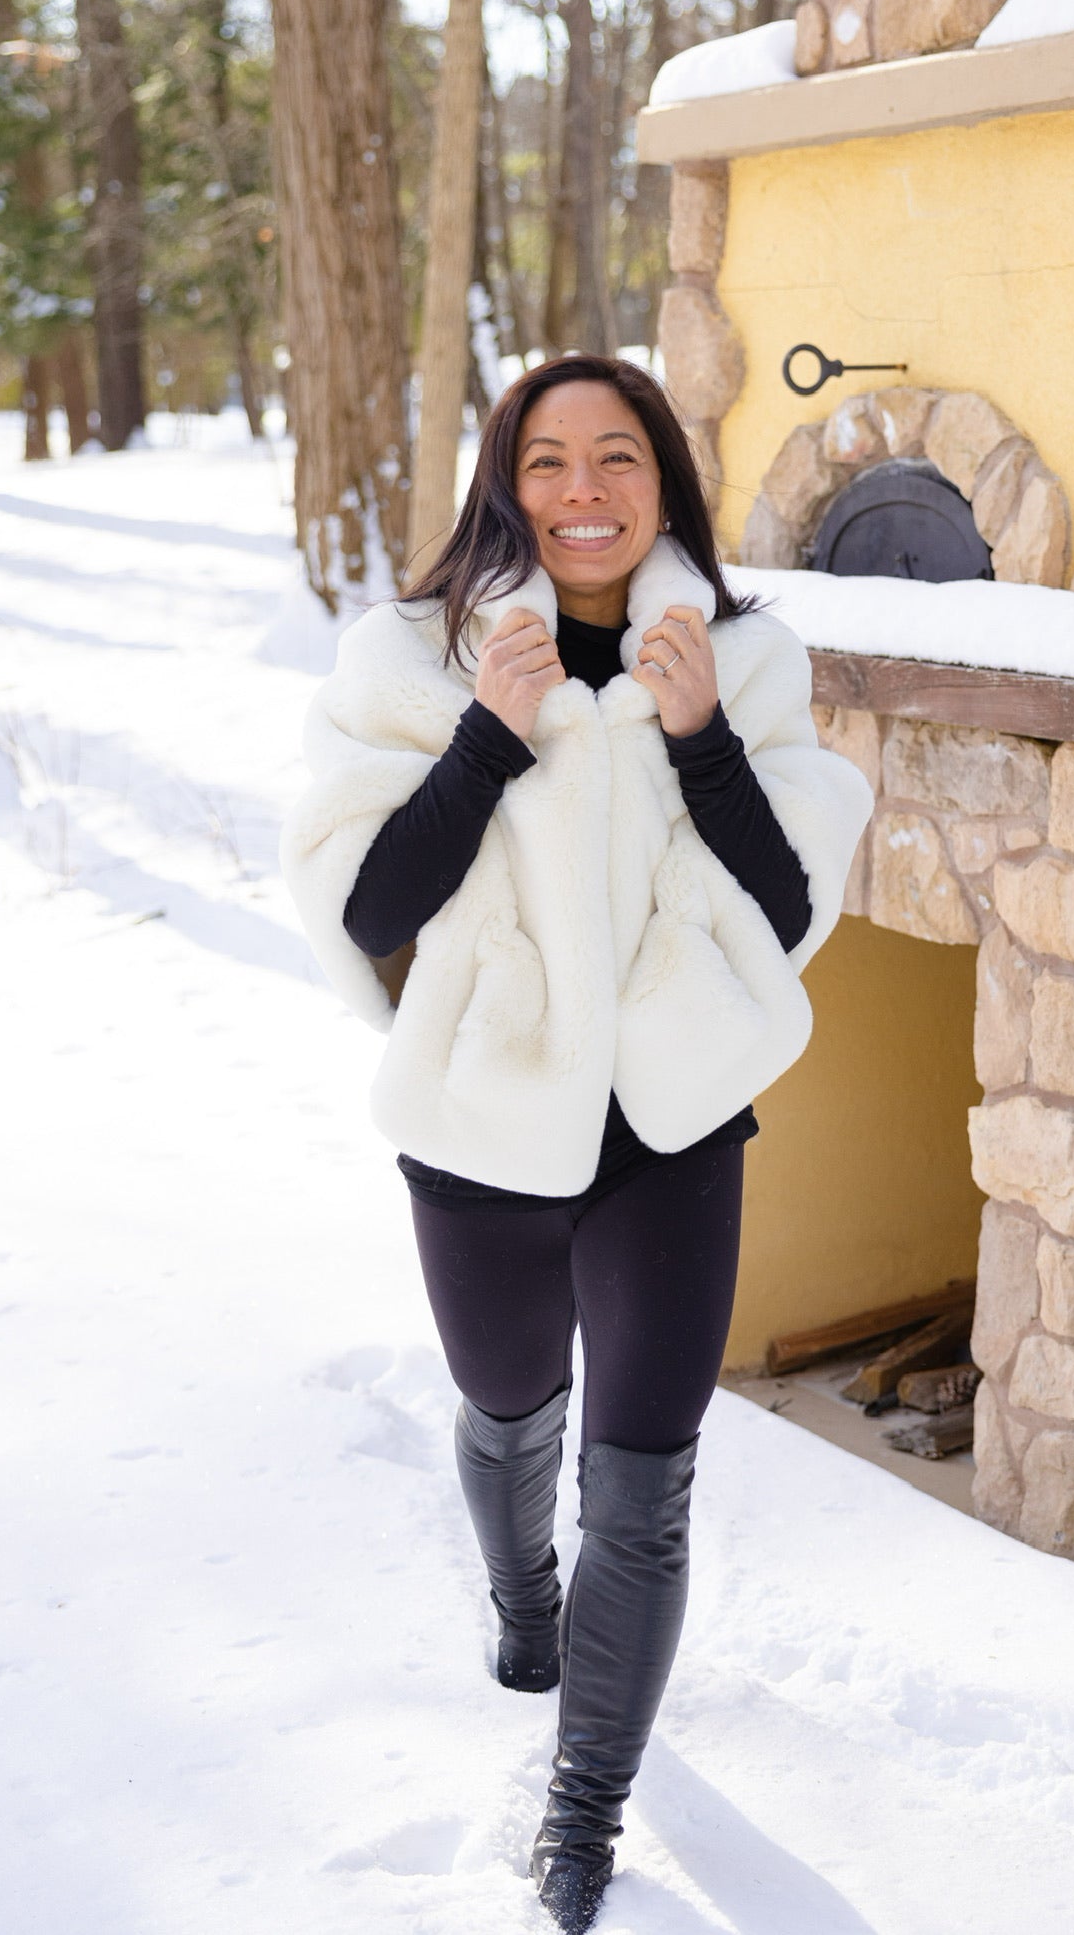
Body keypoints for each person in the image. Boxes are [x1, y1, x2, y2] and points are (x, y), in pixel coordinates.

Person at [281, 355, 870, 1931]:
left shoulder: (741, 661)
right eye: (550, 462)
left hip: (672, 1129)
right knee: (504, 1407)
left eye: (620, 458)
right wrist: (489, 733)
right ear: (505, 483)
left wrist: (699, 743)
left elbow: (794, 906)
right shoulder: (410, 657)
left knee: (646, 1485)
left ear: (665, 482)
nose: (587, 492)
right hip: (483, 1120)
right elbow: (370, 910)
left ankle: (585, 1804)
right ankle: (520, 1601)